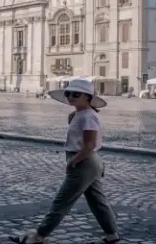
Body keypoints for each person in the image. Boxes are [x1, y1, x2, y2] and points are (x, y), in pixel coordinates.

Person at [10, 79, 119, 244]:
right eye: (68, 93)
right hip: (88, 161)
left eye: (76, 94)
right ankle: (112, 235)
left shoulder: (88, 116)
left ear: (88, 97)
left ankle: (39, 236)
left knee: (62, 201)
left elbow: (89, 145)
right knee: (97, 201)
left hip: (84, 161)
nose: (71, 97)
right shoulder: (79, 114)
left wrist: (73, 161)